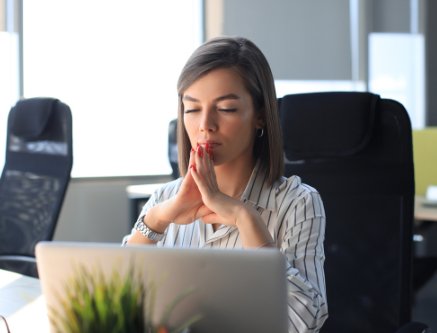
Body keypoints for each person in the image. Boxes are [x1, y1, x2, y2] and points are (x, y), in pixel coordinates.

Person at [123, 36, 328, 332]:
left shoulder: (298, 203)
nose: (205, 124)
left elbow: (300, 323)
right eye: (192, 109)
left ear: (260, 115)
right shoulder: (165, 198)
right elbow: (117, 301)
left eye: (227, 108)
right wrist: (155, 219)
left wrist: (246, 220)